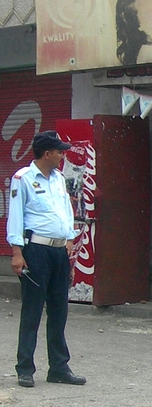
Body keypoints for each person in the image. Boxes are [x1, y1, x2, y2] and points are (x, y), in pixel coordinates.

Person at [7, 131, 84, 388]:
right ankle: (25, 368)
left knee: (59, 310)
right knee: (32, 310)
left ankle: (59, 367)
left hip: (59, 251)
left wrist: (69, 239)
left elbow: (65, 210)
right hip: (36, 250)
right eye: (59, 151)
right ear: (47, 153)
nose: (63, 155)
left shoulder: (59, 178)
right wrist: (17, 253)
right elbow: (16, 216)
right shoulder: (23, 178)